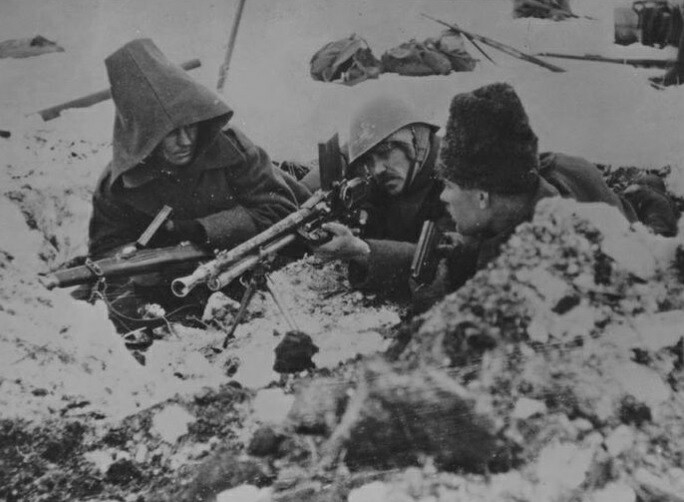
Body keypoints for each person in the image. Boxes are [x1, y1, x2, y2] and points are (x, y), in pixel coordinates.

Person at [86, 38, 308, 336]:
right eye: (169, 133)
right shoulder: (118, 184)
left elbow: (282, 212)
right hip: (175, 285)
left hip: (250, 263)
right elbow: (105, 256)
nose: (185, 141)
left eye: (189, 125)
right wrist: (135, 282)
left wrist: (200, 230)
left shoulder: (232, 149)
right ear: (145, 136)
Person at [412, 82, 678, 312]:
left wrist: (434, 302)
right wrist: (468, 250)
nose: (444, 197)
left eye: (450, 186)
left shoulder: (537, 269)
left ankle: (650, 200)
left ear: (482, 196)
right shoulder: (554, 171)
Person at [310, 95, 449, 299]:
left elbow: (444, 262)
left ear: (417, 142)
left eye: (385, 153)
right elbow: (344, 154)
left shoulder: (454, 180)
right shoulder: (396, 173)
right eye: (369, 160)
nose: (377, 169)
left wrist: (364, 251)